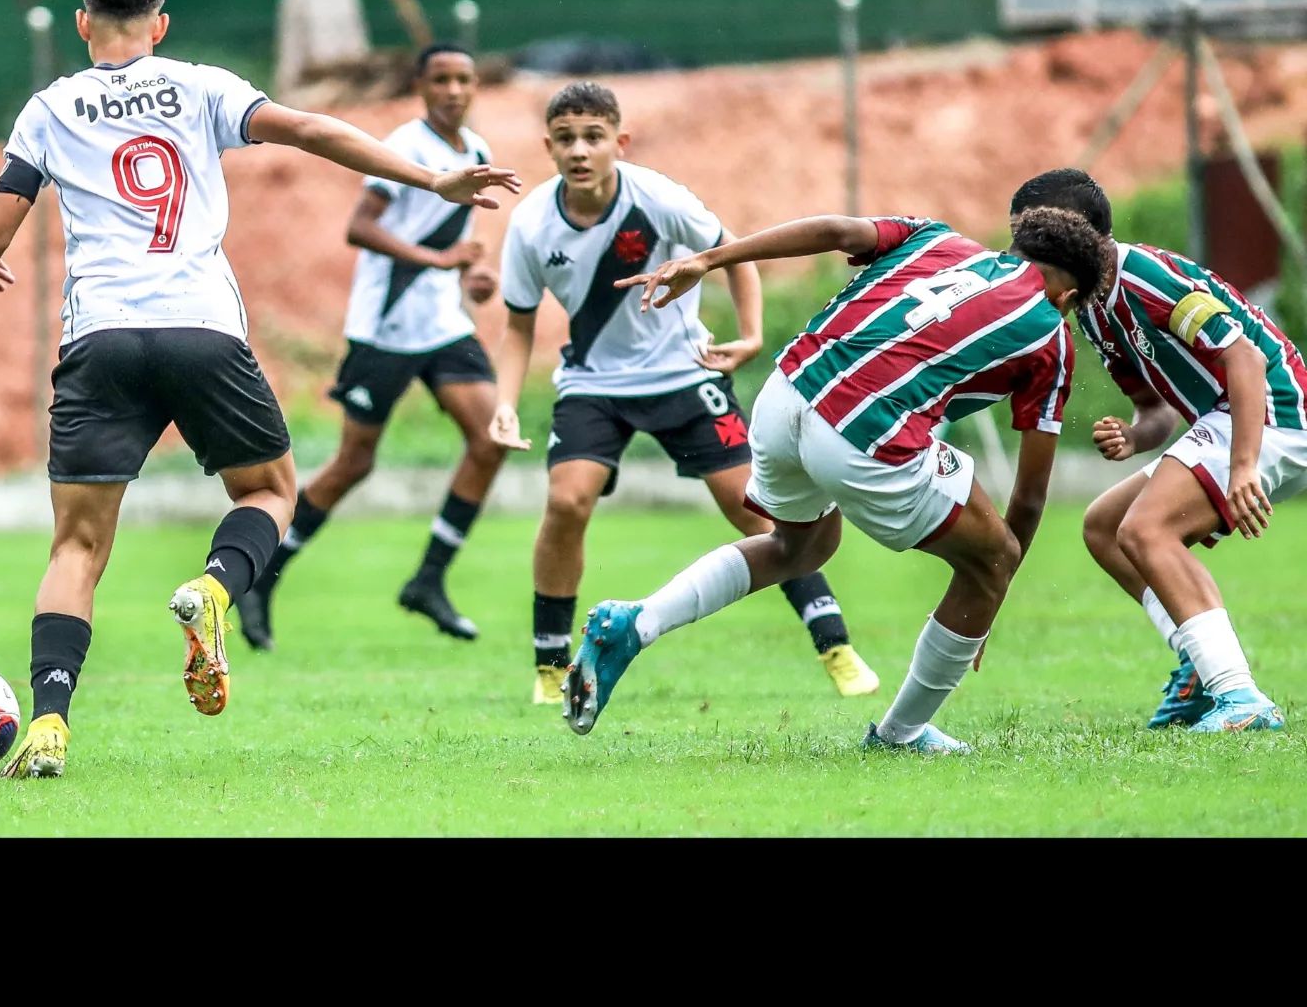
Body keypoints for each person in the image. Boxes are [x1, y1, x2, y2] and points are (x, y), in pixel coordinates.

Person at [0, 0, 520, 779]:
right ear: (160, 25)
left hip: (101, 338)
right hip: (202, 329)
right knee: (269, 492)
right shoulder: (200, 87)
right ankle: (217, 590)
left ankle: (47, 726)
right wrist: (430, 178)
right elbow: (313, 130)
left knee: (75, 547)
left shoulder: (50, 108)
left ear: (81, 24)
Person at [563, 205, 1109, 753]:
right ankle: (900, 736)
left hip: (786, 393)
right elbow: (1030, 494)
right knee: (992, 559)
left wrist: (709, 260)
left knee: (799, 548)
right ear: (1067, 297)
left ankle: (637, 622)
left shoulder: (935, 238)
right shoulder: (1050, 332)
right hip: (862, 432)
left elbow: (833, 230)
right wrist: (995, 586)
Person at [489, 82, 879, 707]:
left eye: (593, 137)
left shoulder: (659, 198)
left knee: (757, 511)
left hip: (684, 375)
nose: (580, 150)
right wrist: (505, 404)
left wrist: (751, 334)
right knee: (566, 501)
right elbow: (517, 326)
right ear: (548, 147)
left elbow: (733, 255)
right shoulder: (532, 223)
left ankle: (835, 646)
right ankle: (551, 666)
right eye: (566, 139)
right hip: (594, 385)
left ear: (620, 142)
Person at [236, 44, 506, 649]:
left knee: (491, 438)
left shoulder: (477, 152)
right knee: (354, 464)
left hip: (442, 324)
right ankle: (264, 576)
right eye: (441, 79)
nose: (454, 90)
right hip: (384, 329)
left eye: (464, 79)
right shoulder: (406, 148)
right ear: (421, 86)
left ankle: (428, 580)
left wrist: (473, 276)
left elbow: (457, 244)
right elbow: (360, 227)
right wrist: (437, 260)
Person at [1010, 167, 1298, 733]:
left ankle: (1240, 696)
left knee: (1145, 529)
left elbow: (1245, 359)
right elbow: (1157, 410)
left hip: (1273, 414)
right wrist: (1135, 435)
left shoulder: (1145, 277)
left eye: (1033, 239)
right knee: (1103, 526)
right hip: (1227, 420)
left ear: (1077, 235)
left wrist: (1243, 467)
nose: (1023, 261)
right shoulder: (1092, 308)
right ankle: (1199, 661)